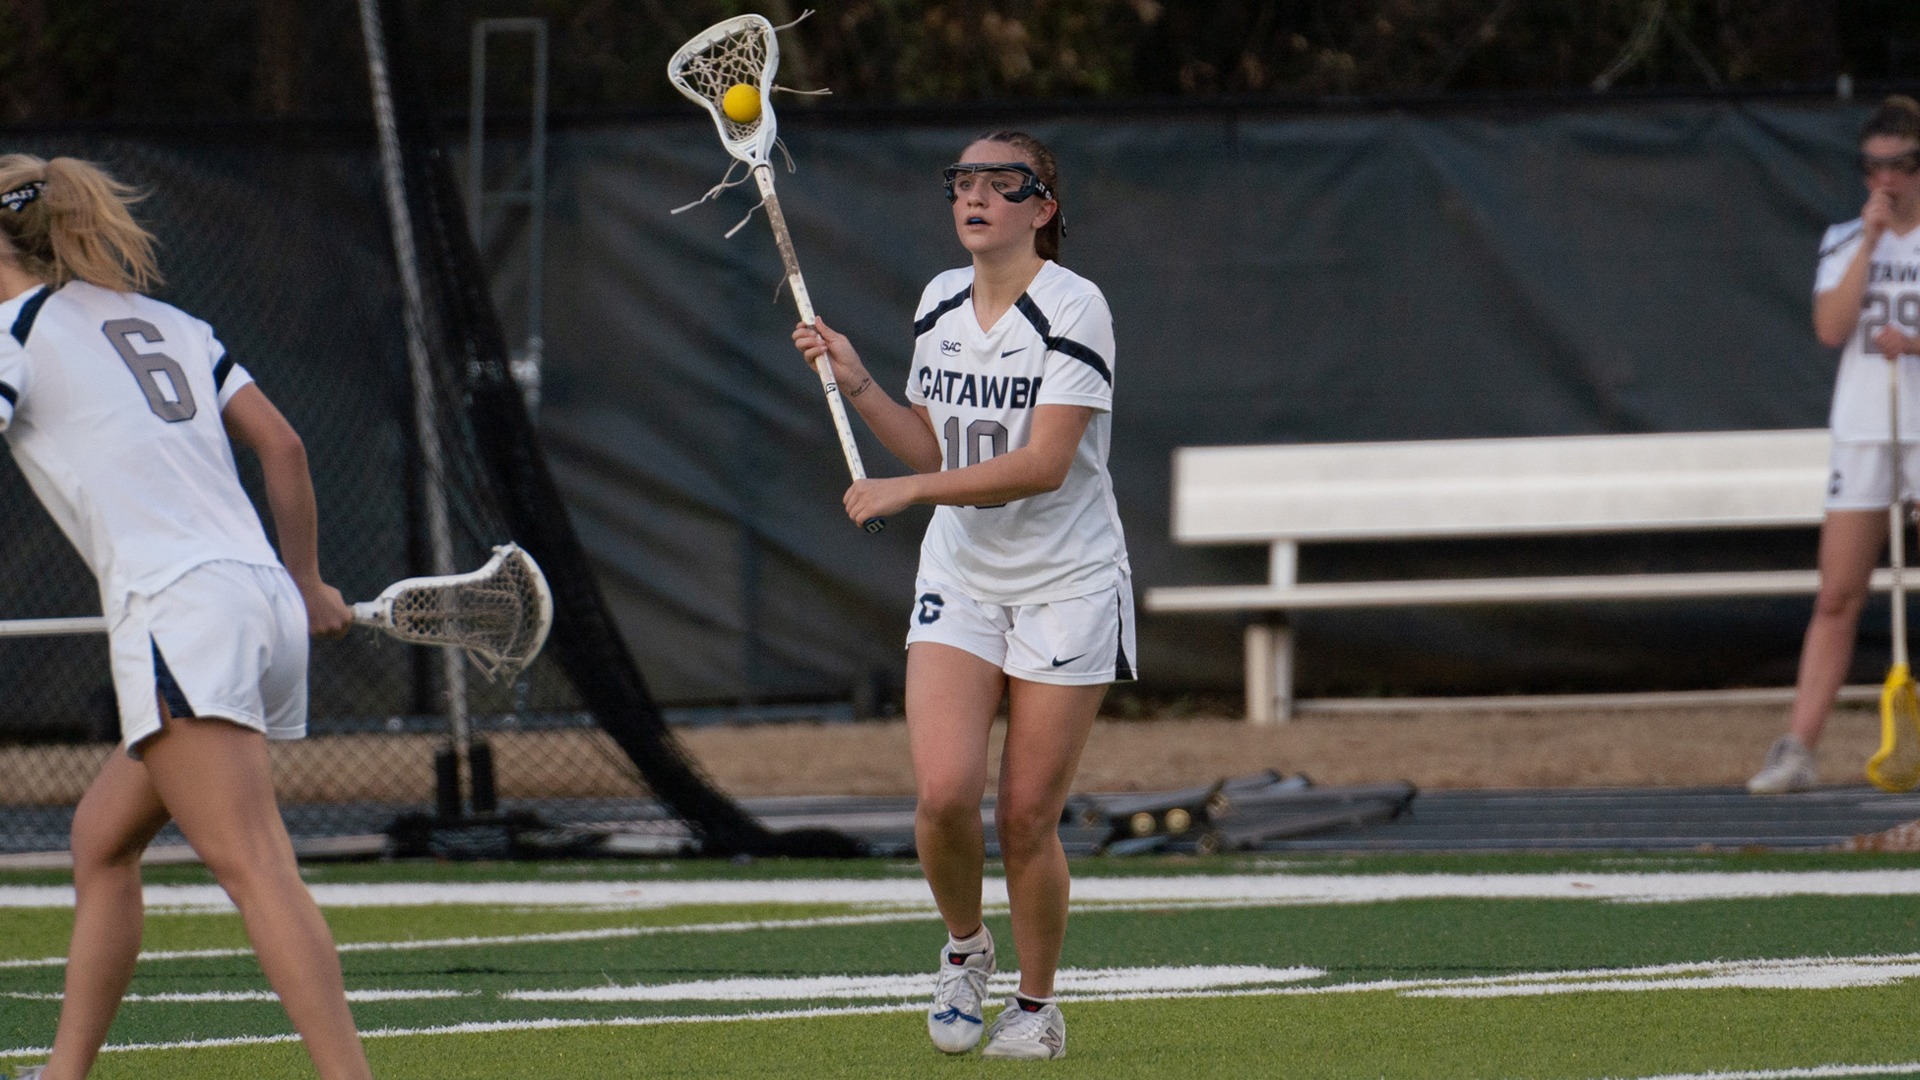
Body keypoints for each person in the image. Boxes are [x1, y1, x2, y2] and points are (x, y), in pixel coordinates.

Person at [0, 155, 373, 1080]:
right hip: (255, 599)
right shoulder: (173, 323)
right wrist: (308, 582)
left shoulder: (12, 333)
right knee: (102, 841)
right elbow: (283, 446)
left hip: (179, 610)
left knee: (255, 865)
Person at [792, 131, 1129, 1060]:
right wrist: (857, 381)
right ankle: (966, 949)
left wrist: (909, 493)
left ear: (1042, 207)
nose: (975, 196)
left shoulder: (1076, 306)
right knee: (944, 795)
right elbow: (932, 445)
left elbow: (1044, 465)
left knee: (1025, 816)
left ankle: (1036, 1008)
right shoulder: (939, 300)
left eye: (1001, 183)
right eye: (962, 181)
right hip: (962, 576)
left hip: (1067, 582)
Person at [1749, 96, 1920, 795]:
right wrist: (1871, 244)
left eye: (1901, 165)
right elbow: (1830, 326)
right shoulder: (1845, 239)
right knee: (1837, 595)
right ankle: (1798, 749)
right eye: (1873, 167)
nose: (1886, 180)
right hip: (1863, 429)